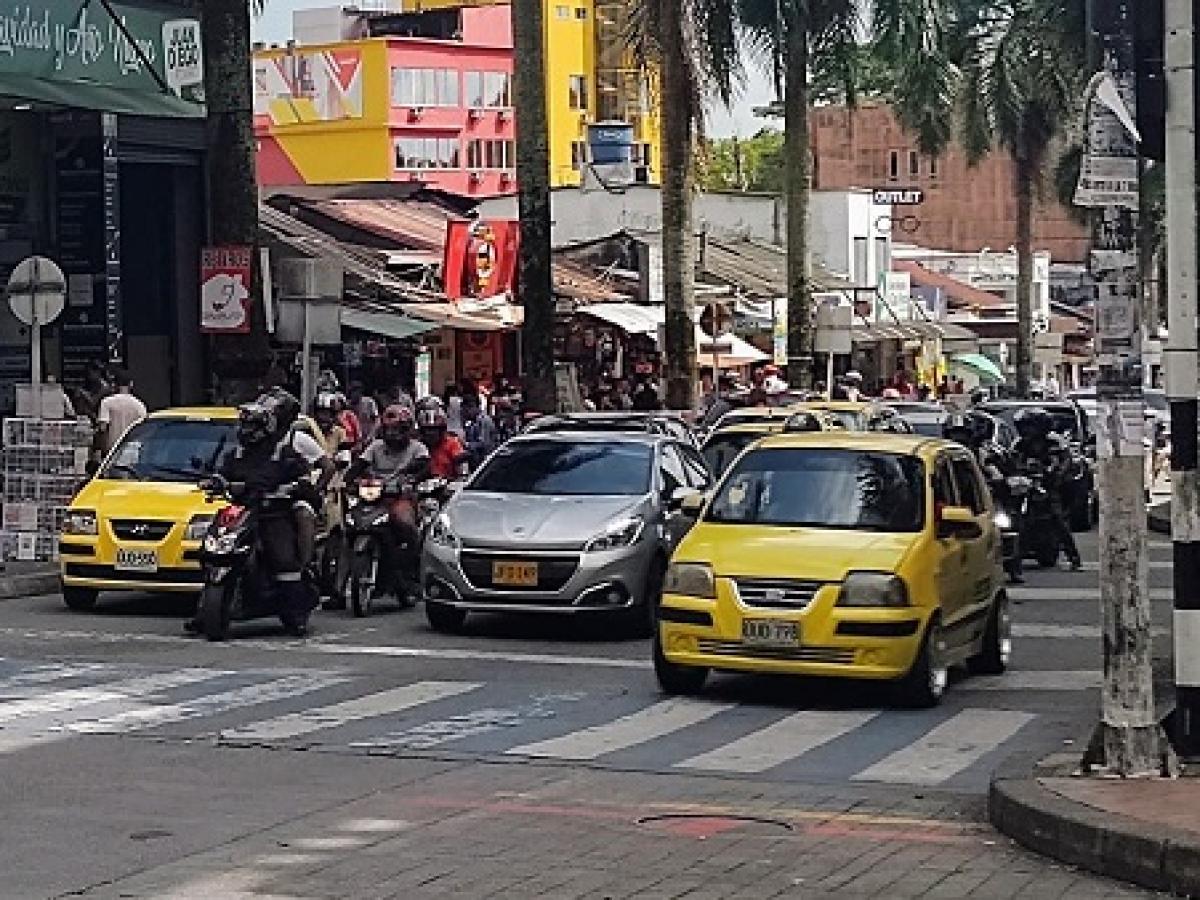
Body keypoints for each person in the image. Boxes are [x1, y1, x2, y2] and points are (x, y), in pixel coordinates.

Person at [347, 405, 431, 583]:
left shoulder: (418, 448)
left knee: (403, 521)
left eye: (398, 430)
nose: (393, 434)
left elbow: (423, 468)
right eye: (389, 430)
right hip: (375, 497)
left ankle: (412, 565)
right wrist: (347, 481)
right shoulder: (376, 447)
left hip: (402, 498)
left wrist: (410, 480)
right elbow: (359, 466)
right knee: (349, 523)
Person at [1012, 406, 1082, 571]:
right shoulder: (1019, 444)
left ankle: (1074, 558)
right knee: (1017, 520)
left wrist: (1053, 473)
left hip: (1050, 485)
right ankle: (1013, 564)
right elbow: (1012, 461)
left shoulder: (1055, 442)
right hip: (1026, 484)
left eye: (1031, 426)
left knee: (1058, 519)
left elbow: (1064, 462)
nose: (1027, 431)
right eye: (1025, 426)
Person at [96, 369, 147, 455]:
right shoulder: (139, 405)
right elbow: (144, 431)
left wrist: (101, 450)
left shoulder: (107, 402)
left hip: (112, 450)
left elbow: (102, 428)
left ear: (114, 384)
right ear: (131, 384)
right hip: (132, 449)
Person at [418, 406, 469, 478]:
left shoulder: (453, 443)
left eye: (434, 429)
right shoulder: (418, 447)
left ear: (442, 430)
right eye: (427, 429)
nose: (430, 433)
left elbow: (463, 473)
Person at [461, 394, 499, 468]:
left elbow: (484, 443)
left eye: (466, 410)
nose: (464, 413)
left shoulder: (484, 420)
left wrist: (466, 444)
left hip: (486, 462)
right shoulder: (471, 423)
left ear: (473, 406)